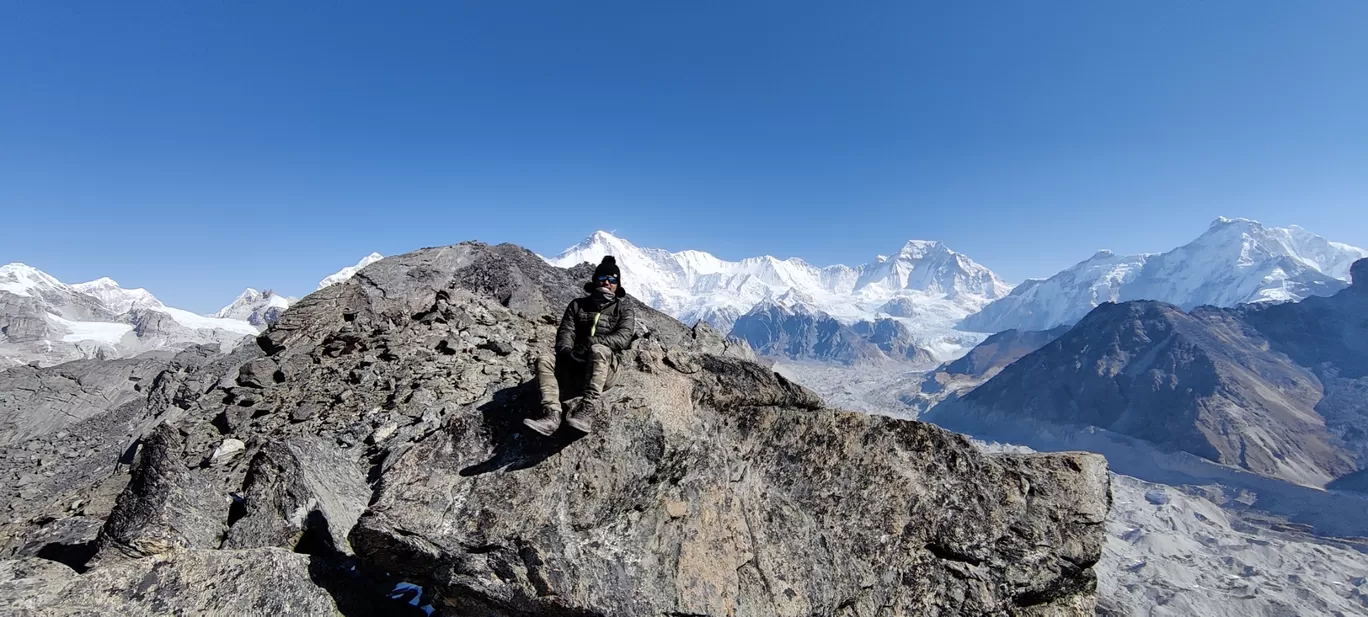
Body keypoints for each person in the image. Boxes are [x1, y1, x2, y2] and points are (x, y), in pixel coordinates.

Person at [524, 256, 637, 435]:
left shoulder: (623, 308)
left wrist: (590, 343)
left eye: (612, 279)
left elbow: (623, 338)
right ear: (595, 280)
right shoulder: (577, 305)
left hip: (605, 370)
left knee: (598, 349)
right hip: (575, 366)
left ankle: (586, 410)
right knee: (544, 359)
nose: (607, 282)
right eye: (602, 278)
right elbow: (565, 332)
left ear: (618, 284)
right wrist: (566, 352)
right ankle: (551, 415)